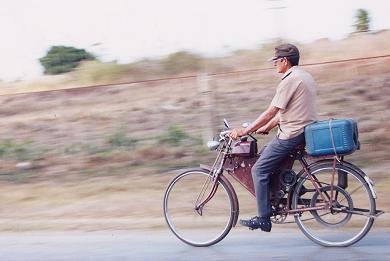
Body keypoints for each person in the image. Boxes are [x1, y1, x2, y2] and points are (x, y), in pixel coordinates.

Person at [229, 43, 318, 232]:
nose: (274, 65)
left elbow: (271, 112)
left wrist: (245, 131)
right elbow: (285, 112)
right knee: (266, 156)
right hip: (302, 130)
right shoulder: (304, 76)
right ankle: (289, 190)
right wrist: (266, 128)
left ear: (285, 61)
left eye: (276, 61)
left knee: (259, 170)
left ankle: (263, 218)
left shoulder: (289, 80)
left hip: (291, 134)